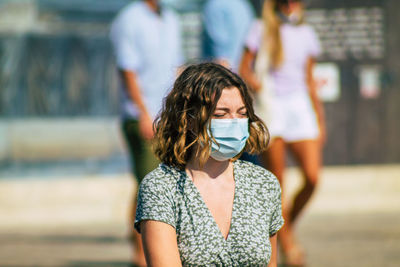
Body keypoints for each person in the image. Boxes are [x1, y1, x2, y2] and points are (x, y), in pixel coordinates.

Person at [134, 62, 284, 266]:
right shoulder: (161, 188)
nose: (234, 122)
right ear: (188, 119)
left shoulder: (264, 184)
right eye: (221, 114)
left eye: (241, 113)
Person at [239, 0, 326, 265]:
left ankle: (285, 228)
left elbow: (309, 78)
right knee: (277, 183)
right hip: (272, 105)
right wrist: (253, 82)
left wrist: (319, 117)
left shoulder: (306, 32)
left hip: (299, 107)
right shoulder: (259, 28)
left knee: (312, 177)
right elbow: (244, 68)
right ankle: (287, 244)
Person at [109, 0, 183, 265]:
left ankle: (145, 248)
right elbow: (126, 70)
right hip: (142, 117)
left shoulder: (172, 18)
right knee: (149, 184)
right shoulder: (129, 19)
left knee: (157, 184)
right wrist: (143, 113)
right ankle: (140, 254)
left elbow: (176, 69)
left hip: (166, 117)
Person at [202, 0, 255, 71]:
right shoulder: (244, 5)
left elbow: (220, 56)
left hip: (224, 73)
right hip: (242, 72)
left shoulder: (215, 5)